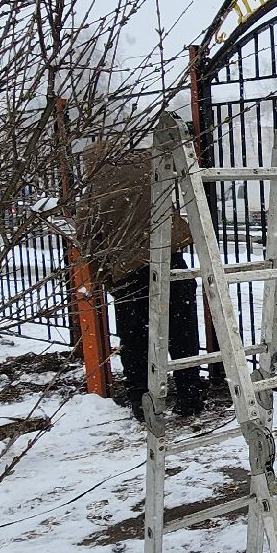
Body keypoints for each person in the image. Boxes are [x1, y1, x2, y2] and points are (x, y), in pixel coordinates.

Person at [75, 139, 205, 419]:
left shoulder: (96, 189)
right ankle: (190, 395)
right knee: (182, 333)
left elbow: (87, 238)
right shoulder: (153, 171)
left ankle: (141, 401)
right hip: (170, 264)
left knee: (136, 341)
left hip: (128, 274)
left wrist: (105, 277)